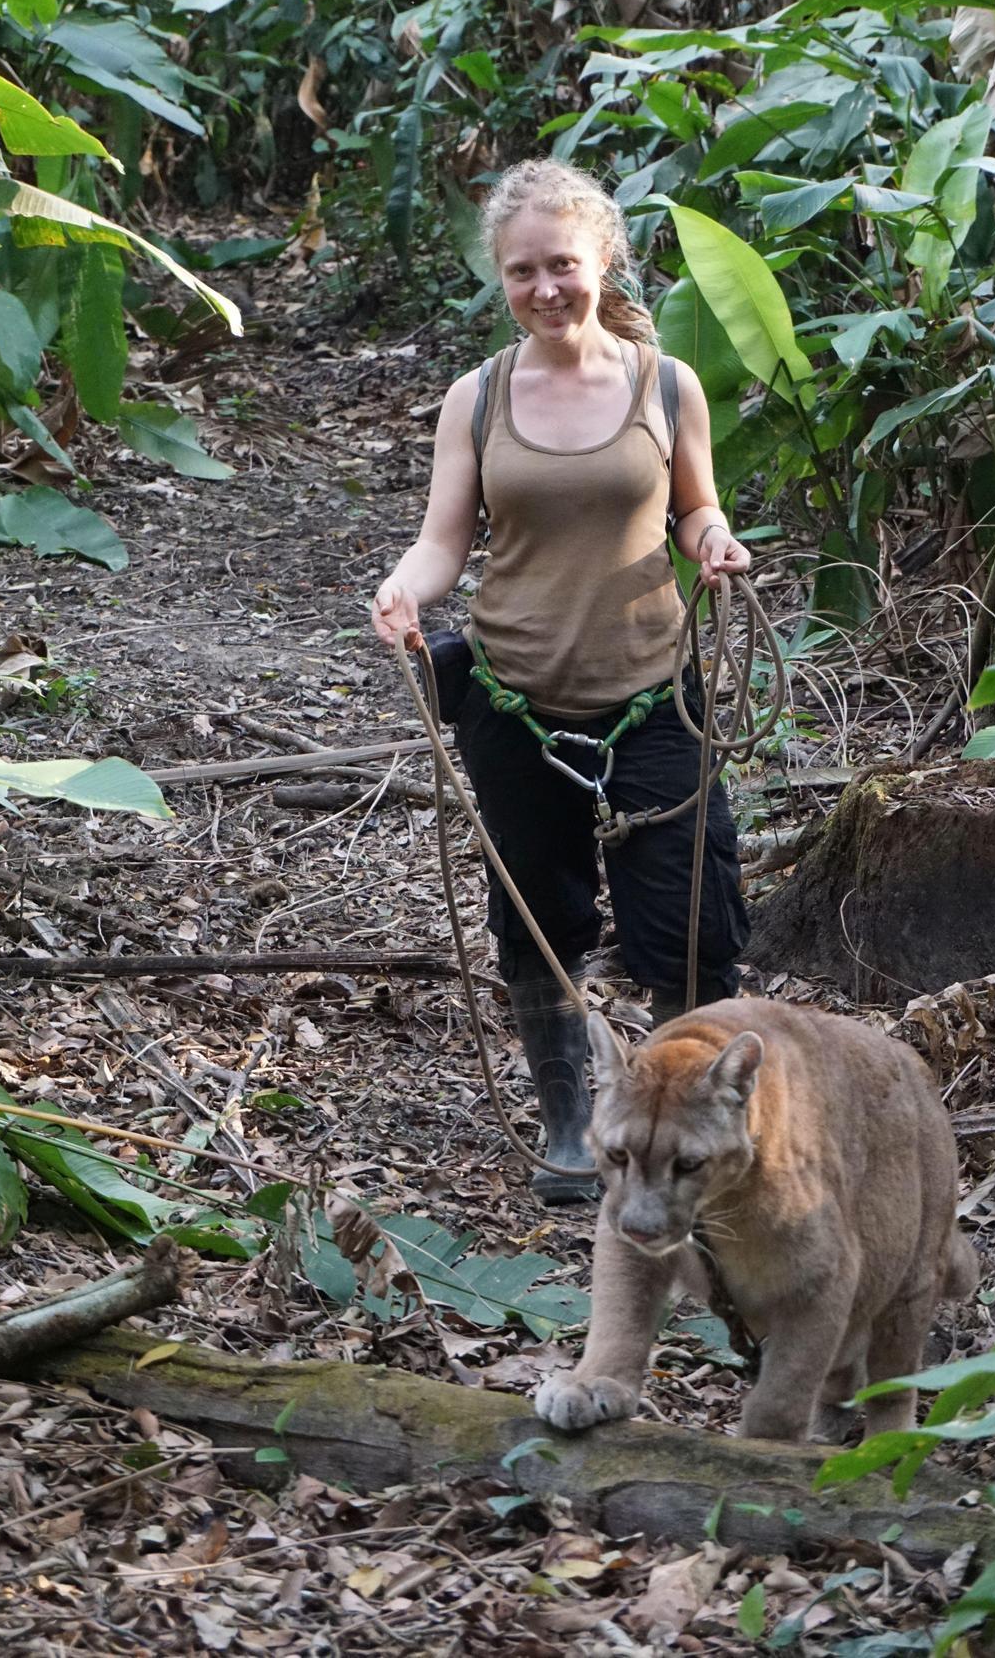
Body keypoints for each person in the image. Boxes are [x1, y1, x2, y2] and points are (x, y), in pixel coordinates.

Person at [373, 157, 751, 1205]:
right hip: (512, 697)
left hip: (652, 694)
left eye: (564, 266)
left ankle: (689, 1116)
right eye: (523, 271)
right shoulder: (476, 396)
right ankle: (570, 1118)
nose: (546, 289)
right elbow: (443, 542)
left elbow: (693, 507)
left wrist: (716, 542)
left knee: (689, 919)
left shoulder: (663, 383)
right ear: (501, 278)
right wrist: (403, 593)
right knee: (536, 912)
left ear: (604, 263)